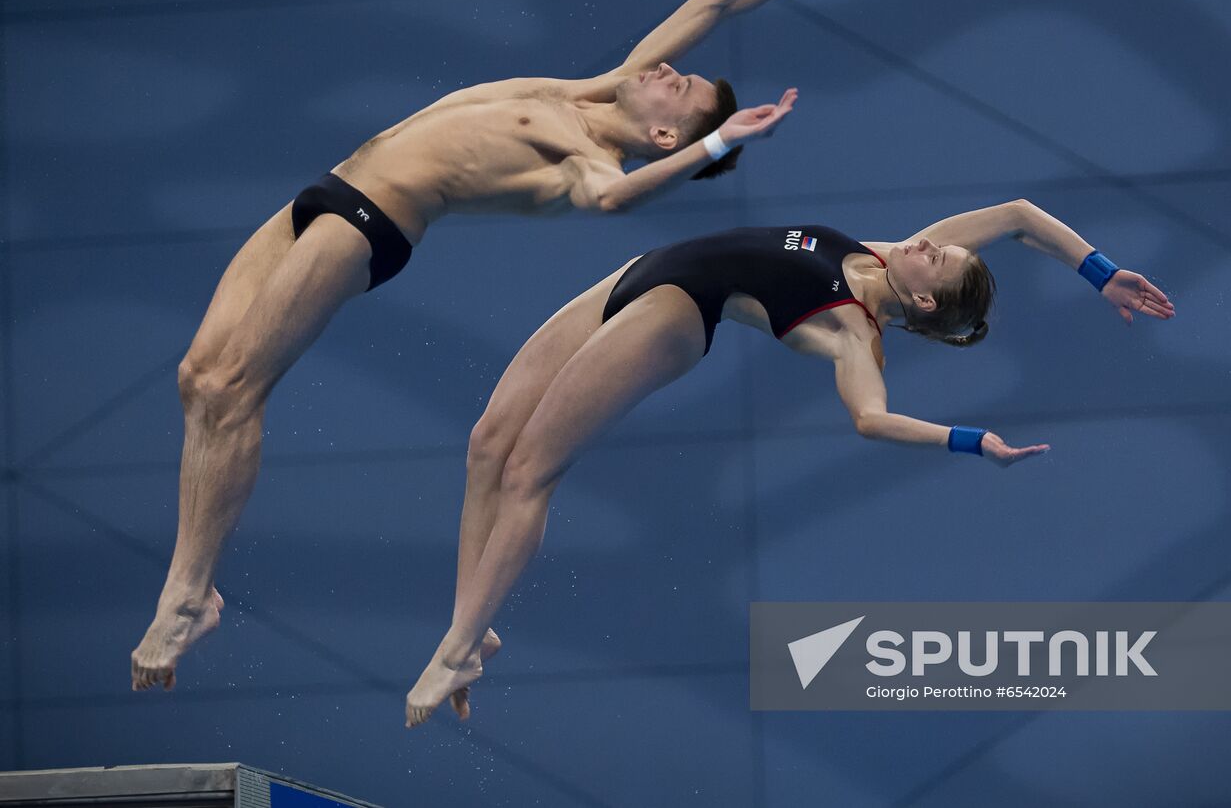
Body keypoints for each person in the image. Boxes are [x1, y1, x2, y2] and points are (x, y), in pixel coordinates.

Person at [130, 0, 925, 692]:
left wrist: (719, 141)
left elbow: (615, 201)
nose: (664, 70)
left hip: (368, 222)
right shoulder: (594, 89)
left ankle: (190, 597)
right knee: (200, 377)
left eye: (677, 88)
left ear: (664, 138)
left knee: (236, 386)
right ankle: (192, 589)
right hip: (327, 190)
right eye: (675, 71)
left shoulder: (587, 161)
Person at [403, 198, 1175, 725]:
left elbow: (870, 418)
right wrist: (1102, 271)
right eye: (938, 243)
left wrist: (969, 440)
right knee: (488, 442)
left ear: (925, 302)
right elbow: (1019, 216)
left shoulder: (855, 330)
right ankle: (471, 632)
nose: (928, 242)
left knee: (530, 470)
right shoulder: (884, 254)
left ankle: (458, 647)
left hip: (677, 313)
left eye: (937, 257)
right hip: (646, 268)